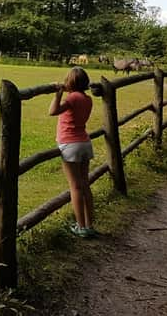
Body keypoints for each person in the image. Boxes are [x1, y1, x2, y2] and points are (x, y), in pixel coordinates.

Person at [48, 66, 96, 238]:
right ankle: (89, 224)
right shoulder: (87, 99)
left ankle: (80, 226)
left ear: (70, 82)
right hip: (84, 142)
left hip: (70, 144)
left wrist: (58, 94)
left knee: (75, 187)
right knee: (85, 184)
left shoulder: (72, 98)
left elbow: (52, 111)